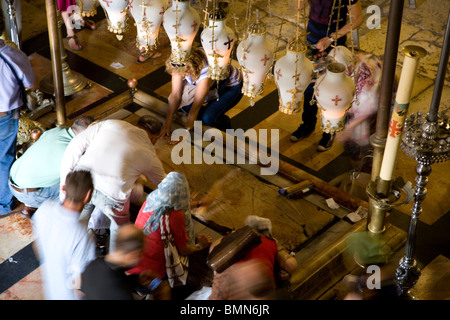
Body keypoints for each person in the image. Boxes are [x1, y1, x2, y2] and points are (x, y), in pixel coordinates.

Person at [59, 116, 166, 252]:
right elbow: (165, 183)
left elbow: (76, 145)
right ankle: (114, 260)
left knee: (80, 218)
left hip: (84, 180)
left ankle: (72, 249)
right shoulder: (150, 155)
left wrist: (66, 180)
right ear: (154, 138)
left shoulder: (112, 123)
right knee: (118, 228)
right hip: (111, 195)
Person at [290, 0, 364, 151]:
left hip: (334, 43)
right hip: (312, 38)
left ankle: (329, 131)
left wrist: (331, 38)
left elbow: (357, 18)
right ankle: (307, 124)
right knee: (310, 85)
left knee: (332, 90)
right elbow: (298, 7)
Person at [127, 172, 212, 298]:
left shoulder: (150, 200)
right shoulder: (175, 216)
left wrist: (198, 204)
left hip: (134, 268)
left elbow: (171, 205)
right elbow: (185, 250)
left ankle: (142, 290)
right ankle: (154, 291)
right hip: (154, 270)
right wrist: (200, 245)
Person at [8, 116, 94, 218]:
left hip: (12, 181)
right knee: (80, 186)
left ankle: (29, 207)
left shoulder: (58, 130)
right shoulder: (73, 152)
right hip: (30, 194)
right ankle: (61, 216)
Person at [32, 170, 97, 300]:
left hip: (50, 291)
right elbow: (80, 284)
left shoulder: (45, 209)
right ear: (88, 195)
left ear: (63, 188)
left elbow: (36, 246)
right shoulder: (83, 236)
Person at [159, 45, 243, 140]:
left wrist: (185, 133)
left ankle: (224, 123)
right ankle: (213, 112)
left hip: (230, 87)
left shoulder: (205, 70)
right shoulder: (178, 62)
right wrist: (167, 125)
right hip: (211, 85)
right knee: (183, 105)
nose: (182, 75)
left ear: (192, 68)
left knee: (208, 118)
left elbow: (196, 105)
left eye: (185, 72)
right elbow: (175, 95)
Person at [208, 215, 298, 300]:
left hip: (235, 281)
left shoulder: (227, 244)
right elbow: (291, 264)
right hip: (259, 284)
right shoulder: (270, 243)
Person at [0, 11, 35, 216]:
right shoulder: (11, 55)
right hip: (4, 117)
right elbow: (29, 83)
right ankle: (4, 204)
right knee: (3, 159)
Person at [79, 223, 170, 300]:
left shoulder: (92, 266)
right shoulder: (122, 294)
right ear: (133, 254)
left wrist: (136, 279)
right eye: (140, 254)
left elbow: (113, 279)